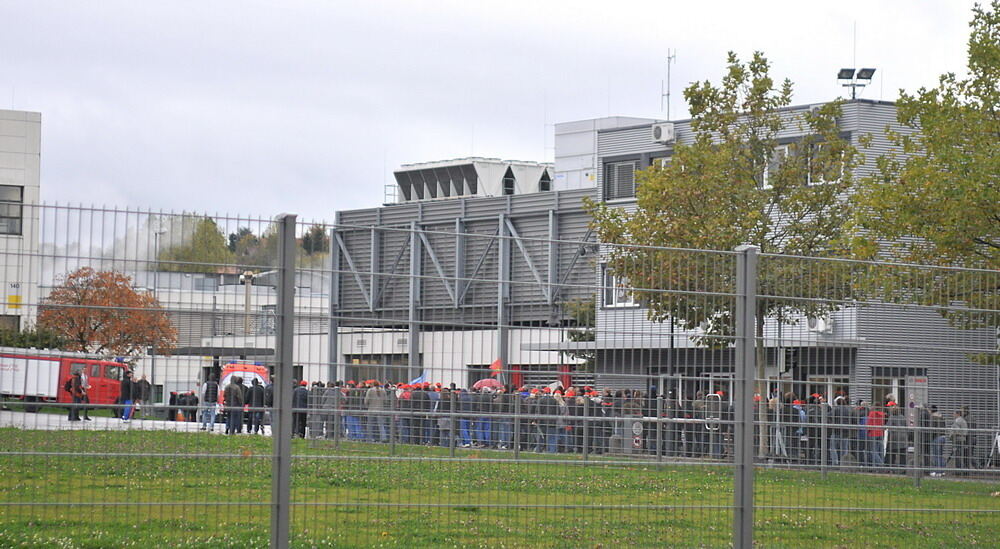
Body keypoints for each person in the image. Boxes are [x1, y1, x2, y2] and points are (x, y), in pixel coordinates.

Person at [948, 408, 969, 475]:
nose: (953, 415)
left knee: (957, 456)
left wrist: (952, 434)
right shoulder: (962, 420)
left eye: (954, 413)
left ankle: (958, 471)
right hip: (961, 440)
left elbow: (956, 431)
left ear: (958, 414)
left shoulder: (958, 421)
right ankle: (963, 470)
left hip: (958, 440)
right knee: (959, 455)